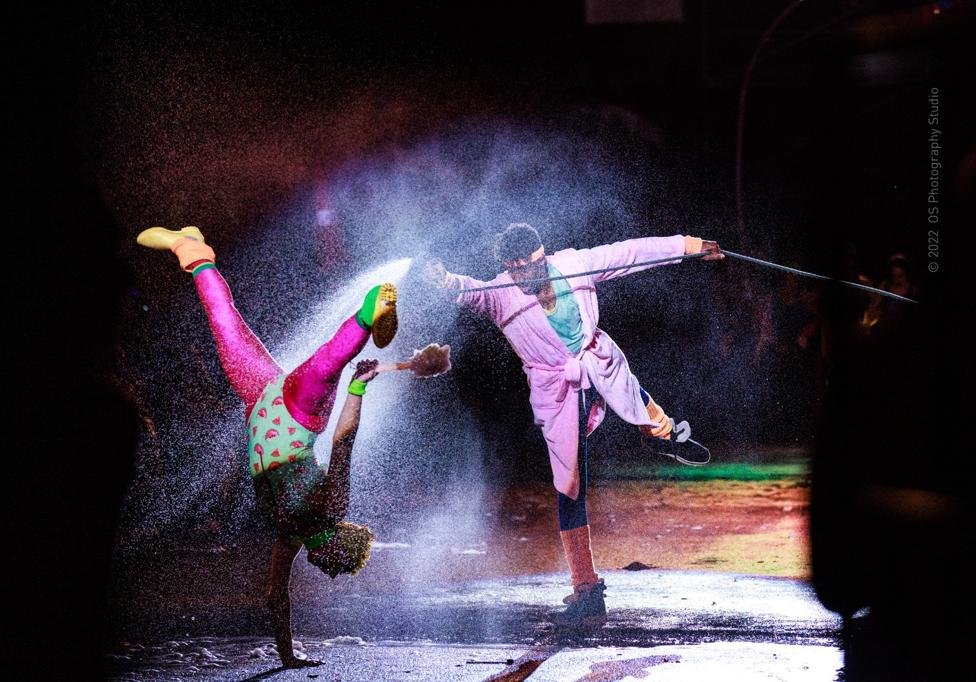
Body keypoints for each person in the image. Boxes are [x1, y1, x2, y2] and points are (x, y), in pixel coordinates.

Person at [425, 223, 722, 628]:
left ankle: (663, 434)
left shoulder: (574, 265)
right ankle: (586, 588)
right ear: (507, 268)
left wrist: (689, 245)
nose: (525, 276)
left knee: (626, 388)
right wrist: (443, 279)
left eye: (530, 267)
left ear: (542, 256)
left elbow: (629, 253)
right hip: (557, 391)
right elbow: (467, 290)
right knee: (569, 485)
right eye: (515, 270)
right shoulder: (501, 294)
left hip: (596, 361)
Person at [137, 225, 397, 668]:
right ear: (340, 545)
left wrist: (287, 656)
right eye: (335, 565)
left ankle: (192, 251)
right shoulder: (332, 508)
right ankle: (370, 310)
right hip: (297, 420)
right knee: (326, 365)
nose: (327, 571)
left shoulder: (292, 534)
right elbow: (343, 441)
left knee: (225, 324)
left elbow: (276, 595)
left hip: (259, 400)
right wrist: (357, 389)